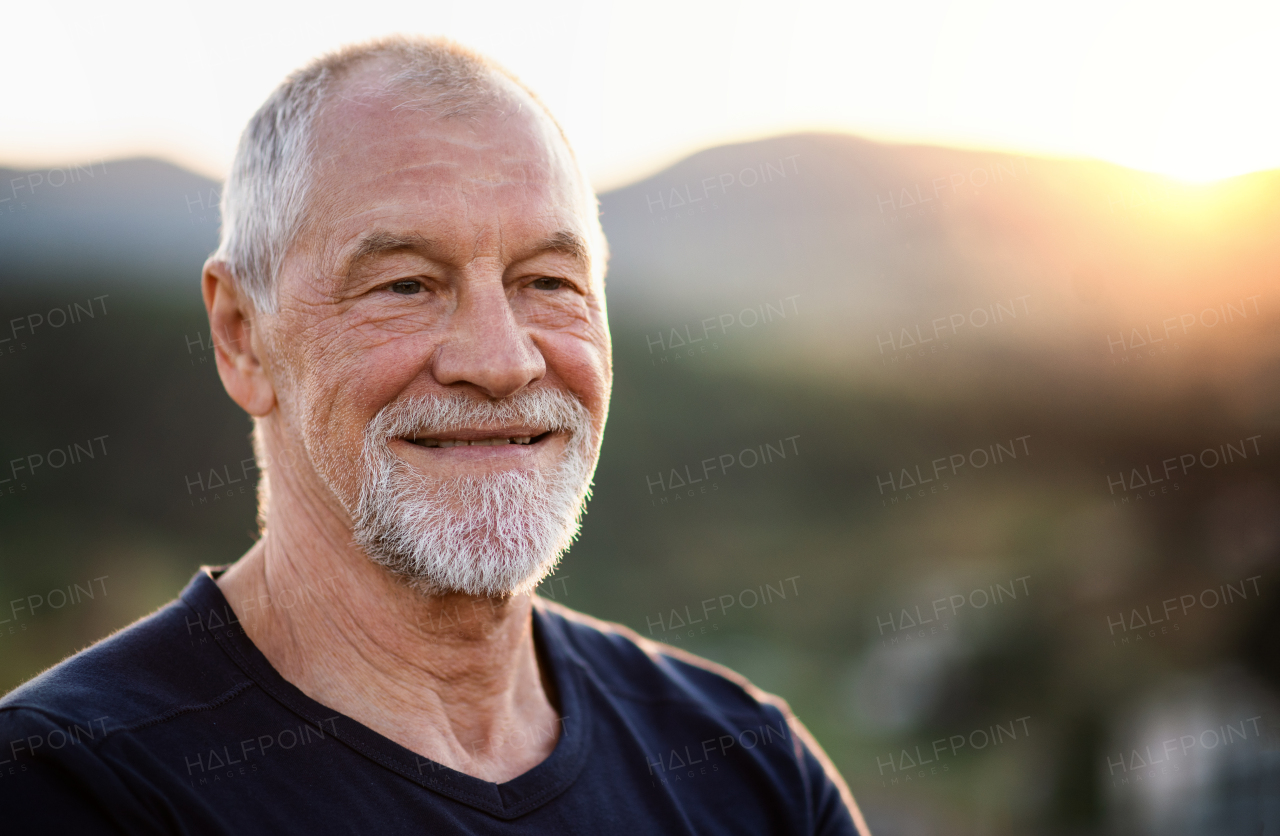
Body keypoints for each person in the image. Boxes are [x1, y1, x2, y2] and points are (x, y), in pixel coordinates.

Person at [0, 36, 868, 835]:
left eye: (547, 281)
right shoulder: (70, 788)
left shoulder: (753, 773)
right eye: (407, 284)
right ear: (240, 335)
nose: (500, 361)